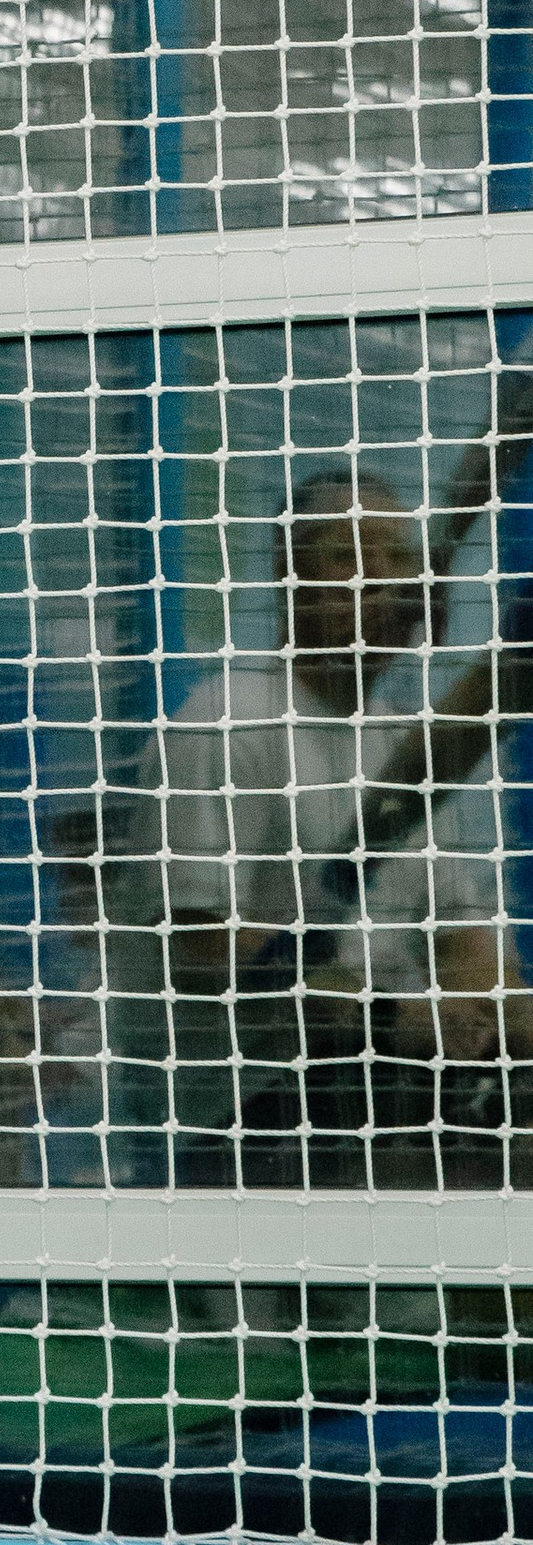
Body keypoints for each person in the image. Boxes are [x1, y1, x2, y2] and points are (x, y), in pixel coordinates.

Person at [101, 409, 532, 1189]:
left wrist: (507, 1009)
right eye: (347, 558)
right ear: (287, 577)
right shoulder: (225, 722)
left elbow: (461, 929)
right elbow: (197, 941)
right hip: (246, 1100)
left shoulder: (405, 739)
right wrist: (387, 1018)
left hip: (374, 1069)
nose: (383, 581)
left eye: (399, 560)